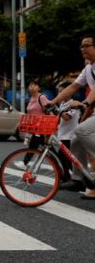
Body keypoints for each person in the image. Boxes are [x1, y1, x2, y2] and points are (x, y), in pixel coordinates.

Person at [48, 34, 95, 193]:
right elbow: (73, 87)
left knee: (81, 131)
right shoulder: (88, 69)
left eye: (86, 45)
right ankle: (78, 180)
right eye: (81, 46)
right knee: (75, 140)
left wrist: (85, 103)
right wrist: (52, 102)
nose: (82, 49)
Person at [22, 80, 50, 164]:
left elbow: (49, 110)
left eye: (34, 85)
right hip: (33, 126)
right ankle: (60, 161)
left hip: (41, 126)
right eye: (30, 85)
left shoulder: (41, 97)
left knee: (33, 145)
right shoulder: (31, 98)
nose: (32, 86)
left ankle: (25, 162)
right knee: (43, 146)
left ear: (39, 88)